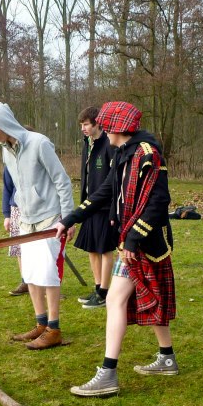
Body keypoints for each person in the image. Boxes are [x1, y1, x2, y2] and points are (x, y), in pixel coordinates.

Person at [53, 100, 177, 397]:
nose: (103, 131)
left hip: (145, 243)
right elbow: (104, 192)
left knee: (115, 300)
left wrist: (133, 239)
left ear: (118, 128)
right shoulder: (124, 153)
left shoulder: (147, 155)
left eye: (106, 126)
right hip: (131, 241)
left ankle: (108, 373)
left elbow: (159, 203)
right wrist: (70, 219)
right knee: (150, 297)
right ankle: (167, 357)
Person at [0, 102, 75, 350]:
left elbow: (62, 181)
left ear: (4, 124)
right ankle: (41, 324)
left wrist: (68, 218)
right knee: (31, 273)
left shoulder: (39, 143)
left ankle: (54, 329)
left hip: (50, 218)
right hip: (26, 219)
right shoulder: (5, 150)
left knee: (48, 273)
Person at [73, 105, 118, 309]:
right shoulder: (87, 144)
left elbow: (114, 181)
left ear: (96, 123)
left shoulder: (109, 144)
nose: (83, 128)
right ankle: (97, 287)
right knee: (92, 249)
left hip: (105, 208)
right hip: (89, 207)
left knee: (105, 249)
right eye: (81, 125)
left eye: (86, 124)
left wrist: (113, 210)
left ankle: (104, 292)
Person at [2, 167, 28, 296]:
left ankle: (44, 284)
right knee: (19, 248)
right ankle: (26, 282)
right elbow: (7, 188)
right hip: (16, 209)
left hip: (37, 209)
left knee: (40, 248)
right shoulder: (9, 163)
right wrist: (7, 215)